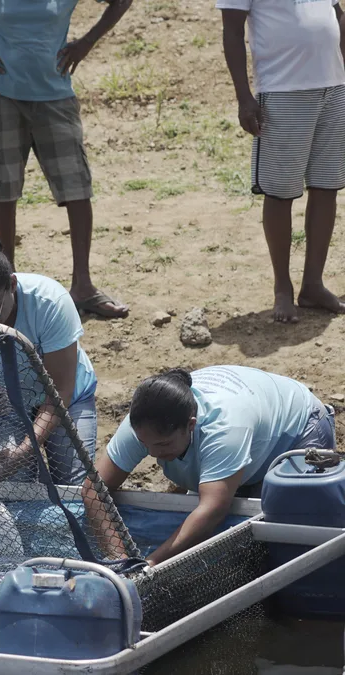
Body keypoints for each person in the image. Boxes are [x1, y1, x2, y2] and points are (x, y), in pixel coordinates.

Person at [0, 0, 131, 319]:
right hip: (2, 95)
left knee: (77, 189)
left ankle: (83, 286)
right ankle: (8, 283)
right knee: (4, 191)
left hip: (55, 95)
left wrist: (86, 42)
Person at [90, 367, 335, 565]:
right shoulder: (143, 422)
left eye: (163, 444)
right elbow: (93, 490)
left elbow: (212, 510)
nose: (153, 453)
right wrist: (120, 560)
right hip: (245, 427)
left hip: (296, 431)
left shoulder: (224, 429)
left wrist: (151, 564)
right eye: (145, 444)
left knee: (280, 533)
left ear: (191, 425)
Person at [218, 0, 345, 323]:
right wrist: (244, 97)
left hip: (333, 87)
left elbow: (337, 14)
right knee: (279, 193)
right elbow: (232, 32)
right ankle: (283, 289)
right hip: (283, 90)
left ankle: (313, 285)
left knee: (326, 187)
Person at [0, 231, 98, 486]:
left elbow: (59, 393)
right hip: (3, 405)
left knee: (73, 486)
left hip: (65, 400)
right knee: (9, 485)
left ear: (12, 285)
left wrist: (26, 449)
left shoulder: (49, 303)